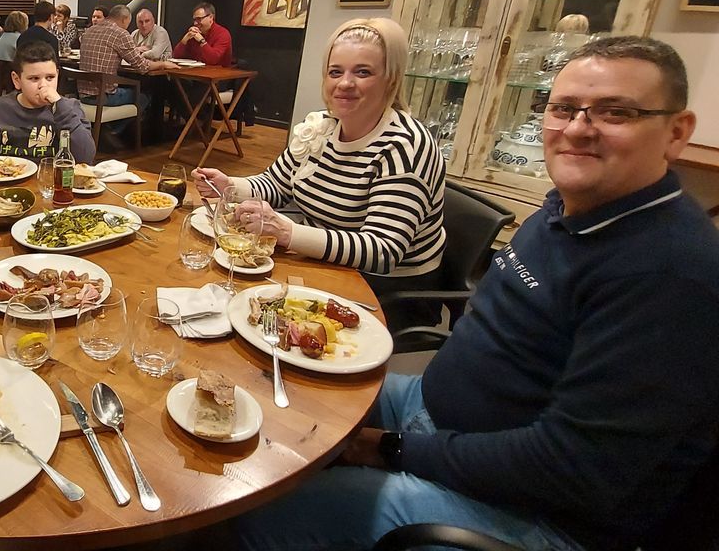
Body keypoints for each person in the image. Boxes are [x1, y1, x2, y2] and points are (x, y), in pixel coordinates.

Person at [231, 35, 719, 551]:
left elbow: (574, 468)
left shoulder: (669, 275)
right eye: (563, 109)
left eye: (615, 112)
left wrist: (389, 449)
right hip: (431, 406)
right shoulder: (567, 210)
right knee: (269, 401)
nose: (577, 129)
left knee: (270, 506)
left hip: (525, 509)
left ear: (676, 132)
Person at [193, 18, 446, 330]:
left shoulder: (405, 146)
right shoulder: (324, 127)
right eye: (335, 72)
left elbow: (383, 251)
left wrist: (287, 233)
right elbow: (276, 182)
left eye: (363, 72)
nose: (344, 83)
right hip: (324, 262)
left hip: (384, 291)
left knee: (252, 320)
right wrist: (231, 185)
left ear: (391, 80)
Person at [0, 41, 95, 165]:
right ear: (17, 80)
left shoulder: (70, 109)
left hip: (51, 186)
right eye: (34, 79)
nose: (43, 85)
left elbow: (85, 158)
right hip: (5, 184)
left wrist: (60, 106)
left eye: (50, 77)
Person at [78, 4, 177, 139]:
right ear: (125, 19)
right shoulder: (120, 33)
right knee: (144, 96)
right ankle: (113, 131)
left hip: (83, 94)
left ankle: (105, 129)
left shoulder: (88, 31)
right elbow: (142, 67)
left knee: (128, 87)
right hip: (102, 96)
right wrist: (163, 64)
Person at [173, 1, 233, 66]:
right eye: (194, 20)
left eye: (199, 19)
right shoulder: (194, 32)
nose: (195, 23)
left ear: (211, 17)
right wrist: (184, 40)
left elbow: (213, 60)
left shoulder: (223, 34)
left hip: (218, 73)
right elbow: (176, 56)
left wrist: (202, 41)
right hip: (194, 72)